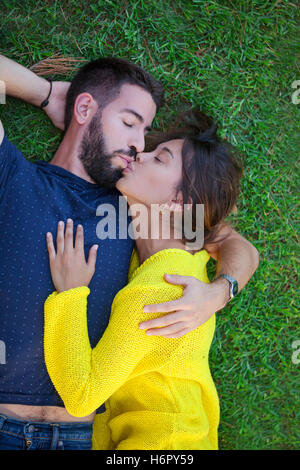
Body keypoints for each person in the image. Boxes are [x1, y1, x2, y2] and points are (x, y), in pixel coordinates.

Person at [0, 55, 259, 450]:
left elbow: (232, 243)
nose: (139, 145)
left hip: (84, 436)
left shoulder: (146, 218)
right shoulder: (15, 176)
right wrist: (48, 94)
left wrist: (219, 292)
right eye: (129, 122)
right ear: (87, 108)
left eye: (147, 133)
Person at [44, 110, 243, 449]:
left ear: (180, 202)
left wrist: (70, 294)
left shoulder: (159, 291)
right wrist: (221, 291)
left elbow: (81, 395)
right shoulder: (189, 246)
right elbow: (234, 241)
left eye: (159, 158)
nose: (141, 153)